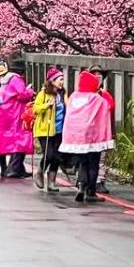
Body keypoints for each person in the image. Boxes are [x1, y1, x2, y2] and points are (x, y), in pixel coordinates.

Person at [60, 71, 115, 203]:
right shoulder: (96, 99)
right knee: (93, 163)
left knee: (83, 163)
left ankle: (81, 186)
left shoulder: (74, 96)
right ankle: (91, 191)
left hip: (78, 138)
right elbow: (109, 107)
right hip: (93, 137)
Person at [0, 67, 36, 179]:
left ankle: (15, 168)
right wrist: (30, 92)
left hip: (4, 113)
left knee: (11, 140)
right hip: (14, 113)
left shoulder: (6, 81)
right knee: (21, 140)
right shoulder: (17, 79)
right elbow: (22, 95)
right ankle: (14, 169)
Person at [32, 68, 67, 193]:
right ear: (52, 81)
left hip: (59, 130)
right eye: (59, 79)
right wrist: (47, 105)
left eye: (62, 79)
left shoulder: (62, 94)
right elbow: (35, 109)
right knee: (49, 154)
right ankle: (40, 172)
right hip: (45, 130)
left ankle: (52, 181)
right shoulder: (43, 94)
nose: (62, 82)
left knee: (57, 157)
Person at [89, 64, 116, 195]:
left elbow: (111, 115)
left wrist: (113, 133)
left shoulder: (107, 96)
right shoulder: (84, 95)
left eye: (100, 74)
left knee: (101, 158)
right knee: (88, 158)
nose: (97, 77)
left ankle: (100, 181)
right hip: (89, 132)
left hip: (104, 131)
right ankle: (85, 180)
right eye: (94, 74)